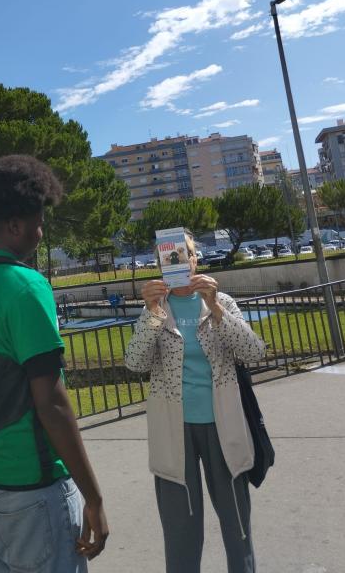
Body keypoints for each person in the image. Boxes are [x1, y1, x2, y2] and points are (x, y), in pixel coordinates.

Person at [0, 155, 108, 572]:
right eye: (38, 222)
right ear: (15, 226)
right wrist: (93, 496)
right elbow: (52, 404)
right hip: (29, 486)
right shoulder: (26, 286)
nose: (41, 231)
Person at [125, 230, 266, 573]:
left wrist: (216, 307)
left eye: (182, 254)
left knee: (238, 528)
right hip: (175, 431)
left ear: (194, 259)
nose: (175, 262)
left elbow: (254, 351)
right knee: (180, 533)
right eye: (166, 256)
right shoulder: (157, 309)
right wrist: (150, 312)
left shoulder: (221, 302)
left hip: (223, 425)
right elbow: (135, 363)